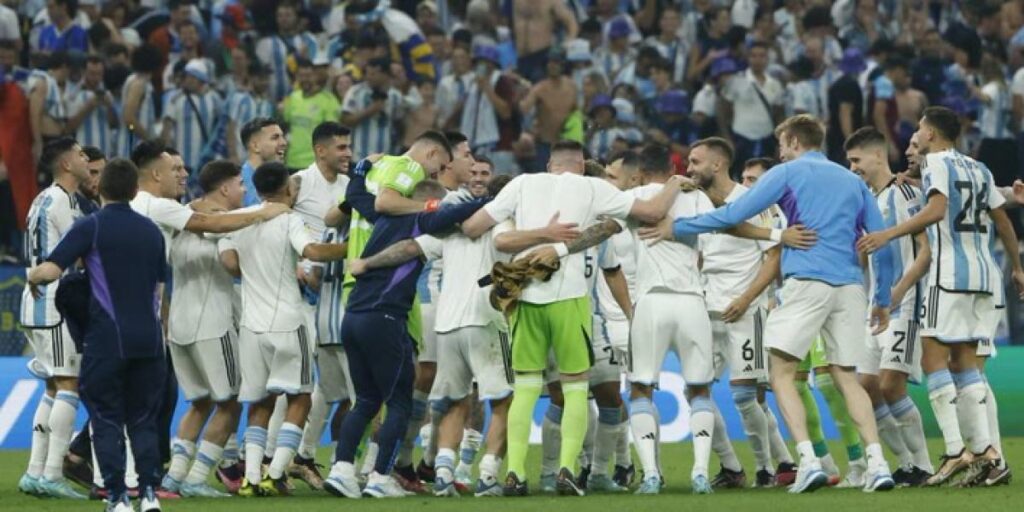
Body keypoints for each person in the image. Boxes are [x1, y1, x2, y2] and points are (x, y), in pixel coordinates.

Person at [662, 115, 897, 493]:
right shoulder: (854, 181)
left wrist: (677, 228)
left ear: (791, 140)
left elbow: (732, 215)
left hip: (807, 282)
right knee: (845, 377)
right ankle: (878, 463)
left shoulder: (787, 173)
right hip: (851, 286)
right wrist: (882, 298)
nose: (780, 151)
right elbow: (882, 243)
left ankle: (806, 460)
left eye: (781, 144)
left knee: (782, 373)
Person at [454, 140, 690, 496]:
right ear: (581, 165)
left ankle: (515, 474)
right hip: (570, 299)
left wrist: (533, 233)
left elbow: (472, 227)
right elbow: (655, 211)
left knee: (528, 388)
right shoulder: (592, 187)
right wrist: (676, 182)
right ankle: (566, 470)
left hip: (525, 299)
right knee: (576, 386)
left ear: (550, 165)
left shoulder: (520, 184)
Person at [857, 106, 1024, 487]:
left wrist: (890, 233)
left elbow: (936, 210)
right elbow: (1002, 220)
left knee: (934, 356)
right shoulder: (978, 167)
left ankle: (954, 451)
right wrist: (1017, 267)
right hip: (986, 276)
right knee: (967, 365)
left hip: (948, 275)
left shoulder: (937, 164)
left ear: (931, 134)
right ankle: (989, 455)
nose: (915, 139)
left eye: (919, 130)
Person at [323, 169, 487, 499]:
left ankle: (342, 469)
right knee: (399, 402)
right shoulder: (422, 220)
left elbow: (356, 197)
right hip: (385, 318)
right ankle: (381, 476)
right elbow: (455, 213)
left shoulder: (379, 217)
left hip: (353, 316)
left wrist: (360, 171)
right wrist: (499, 197)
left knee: (367, 400)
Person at [25, 158, 169, 512]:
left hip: (108, 341)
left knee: (105, 419)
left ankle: (118, 498)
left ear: (100, 189)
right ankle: (149, 495)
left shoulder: (91, 227)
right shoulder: (152, 231)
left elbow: (51, 269)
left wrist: (33, 276)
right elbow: (162, 292)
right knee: (143, 420)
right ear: (135, 191)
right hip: (150, 342)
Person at [218, 162, 348, 497]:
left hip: (251, 325)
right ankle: (275, 472)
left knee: (260, 402)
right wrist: (358, 247)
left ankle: (250, 477)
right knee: (301, 396)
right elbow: (313, 251)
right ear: (289, 189)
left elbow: (231, 265)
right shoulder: (289, 219)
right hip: (288, 322)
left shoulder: (239, 218)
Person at [685, 137, 793, 489]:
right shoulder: (695, 204)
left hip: (745, 310)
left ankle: (767, 467)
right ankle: (732, 466)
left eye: (695, 162)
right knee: (695, 391)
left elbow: (773, 254)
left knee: (746, 396)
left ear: (717, 164)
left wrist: (747, 299)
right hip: (707, 309)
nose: (688, 168)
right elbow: (700, 255)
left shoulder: (752, 202)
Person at [844, 127, 933, 487]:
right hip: (875, 307)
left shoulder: (905, 191)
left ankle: (924, 465)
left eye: (856, 160)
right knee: (866, 386)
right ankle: (907, 462)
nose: (852, 168)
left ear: (878, 155)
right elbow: (864, 256)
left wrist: (898, 292)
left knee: (891, 384)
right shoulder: (868, 198)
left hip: (905, 303)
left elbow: (926, 250)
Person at [158, 161, 246, 499]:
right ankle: (196, 478)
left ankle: (172, 480)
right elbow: (232, 266)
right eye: (240, 184)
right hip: (213, 323)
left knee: (200, 403)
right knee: (231, 402)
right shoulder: (224, 225)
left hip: (178, 325)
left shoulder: (180, 218)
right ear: (224, 189)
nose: (244, 190)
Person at [18, 137, 90, 500]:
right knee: (68, 385)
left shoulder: (43, 199)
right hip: (56, 301)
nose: (85, 158)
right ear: (65, 164)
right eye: (79, 154)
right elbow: (74, 256)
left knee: (52, 388)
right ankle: (52, 473)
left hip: (34, 302)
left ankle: (34, 472)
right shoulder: (61, 201)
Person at [288, 122, 354, 489]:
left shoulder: (350, 188)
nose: (347, 153)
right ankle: (273, 457)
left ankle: (301, 455)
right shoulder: (298, 183)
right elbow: (278, 222)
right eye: (341, 147)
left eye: (349, 147)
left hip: (335, 292)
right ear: (320, 150)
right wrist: (295, 264)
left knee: (326, 390)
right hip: (301, 295)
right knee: (298, 384)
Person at [718, 42, 784, 178]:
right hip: (740, 138)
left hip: (766, 139)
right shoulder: (736, 81)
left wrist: (780, 143)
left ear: (767, 59)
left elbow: (779, 116)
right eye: (753, 56)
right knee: (739, 178)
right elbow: (722, 111)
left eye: (762, 56)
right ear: (748, 58)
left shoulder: (775, 85)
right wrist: (727, 138)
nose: (757, 60)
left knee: (765, 178)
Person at [341, 57, 417, 162]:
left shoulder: (395, 96)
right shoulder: (355, 92)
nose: (369, 77)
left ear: (385, 75)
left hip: (387, 159)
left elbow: (400, 124)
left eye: (373, 74)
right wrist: (370, 110)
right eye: (367, 73)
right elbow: (345, 120)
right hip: (359, 157)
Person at [161, 59, 223, 179]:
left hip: (207, 162)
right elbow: (167, 130)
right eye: (186, 76)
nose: (186, 80)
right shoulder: (175, 99)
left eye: (191, 77)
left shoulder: (214, 99)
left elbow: (220, 128)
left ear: (200, 79)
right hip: (182, 163)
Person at [520, 49, 577, 170]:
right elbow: (523, 109)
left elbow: (577, 112)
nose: (553, 66)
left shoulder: (571, 87)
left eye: (556, 62)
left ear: (562, 65)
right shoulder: (539, 88)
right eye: (550, 62)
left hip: (567, 143)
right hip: (545, 144)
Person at [281, 58, 343, 170]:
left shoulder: (329, 101)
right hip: (292, 162)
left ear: (315, 76)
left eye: (308, 75)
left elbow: (333, 136)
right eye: (301, 75)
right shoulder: (293, 97)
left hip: (316, 165)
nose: (305, 79)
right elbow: (286, 127)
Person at [255, 0, 318, 102]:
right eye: (280, 16)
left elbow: (317, 70)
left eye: (288, 15)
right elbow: (260, 75)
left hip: (302, 101)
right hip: (273, 102)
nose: (284, 19)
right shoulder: (266, 43)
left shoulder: (308, 40)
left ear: (296, 17)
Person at [513, 0, 578, 83]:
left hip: (542, 56)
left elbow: (572, 23)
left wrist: (566, 44)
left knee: (540, 91)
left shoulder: (552, 2)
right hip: (521, 58)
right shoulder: (516, 2)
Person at [66, 57, 117, 158]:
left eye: (99, 74)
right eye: (92, 73)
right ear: (84, 72)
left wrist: (110, 107)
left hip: (104, 152)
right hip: (83, 152)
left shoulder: (107, 94)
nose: (96, 77)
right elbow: (68, 128)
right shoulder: (73, 94)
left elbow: (114, 125)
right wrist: (88, 107)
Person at [116, 44, 161, 159]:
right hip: (133, 147)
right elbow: (129, 117)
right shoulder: (139, 84)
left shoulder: (134, 80)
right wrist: (148, 139)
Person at [238, 118, 287, 207]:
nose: (284, 142)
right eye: (275, 138)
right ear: (255, 146)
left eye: (282, 137)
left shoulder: (280, 178)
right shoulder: (240, 182)